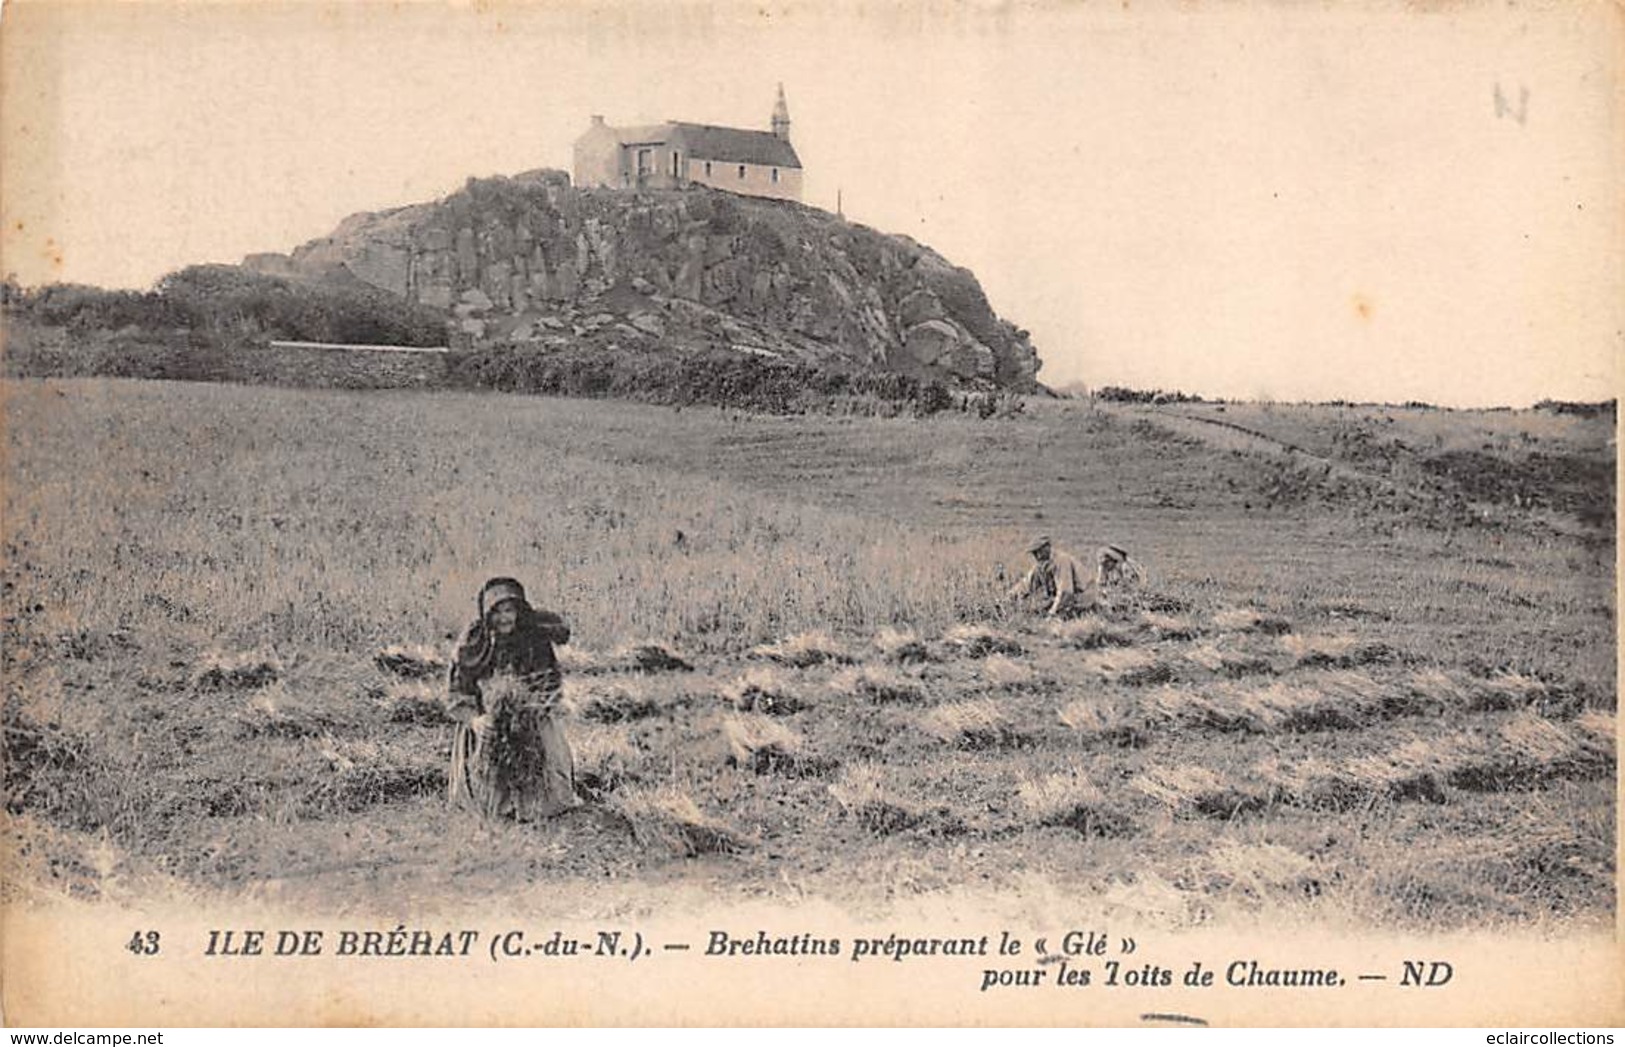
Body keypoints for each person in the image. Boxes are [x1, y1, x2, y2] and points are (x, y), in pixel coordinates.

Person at [445, 577, 579, 820]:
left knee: (548, 761)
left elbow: (550, 684)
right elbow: (457, 694)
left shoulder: (534, 640)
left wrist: (534, 707)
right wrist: (476, 720)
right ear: (486, 615)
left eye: (509, 611)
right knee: (488, 801)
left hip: (530, 716)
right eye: (497, 612)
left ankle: (540, 799)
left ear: (519, 612)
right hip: (485, 717)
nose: (504, 618)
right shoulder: (473, 644)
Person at [1008, 535, 1092, 618]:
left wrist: (1052, 614)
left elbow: (1065, 592)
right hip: (1067, 599)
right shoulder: (1042, 564)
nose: (1037, 556)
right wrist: (1010, 597)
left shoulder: (1061, 560)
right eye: (1034, 553)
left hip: (1083, 599)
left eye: (1039, 551)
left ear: (1047, 548)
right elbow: (1027, 583)